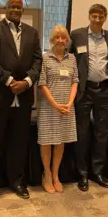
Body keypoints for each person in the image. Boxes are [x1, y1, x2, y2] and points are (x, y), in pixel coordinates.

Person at [0, 0, 42, 205]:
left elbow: (37, 60)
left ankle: (16, 181)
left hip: (23, 98)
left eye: (19, 7)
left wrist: (27, 82)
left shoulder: (32, 33)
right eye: (12, 6)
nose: (15, 9)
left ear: (23, 10)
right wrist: (9, 80)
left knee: (19, 144)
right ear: (5, 8)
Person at [70, 4, 108, 191]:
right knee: (82, 133)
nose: (97, 20)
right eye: (94, 16)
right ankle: (82, 174)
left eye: (101, 17)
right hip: (84, 90)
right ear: (89, 16)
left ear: (105, 18)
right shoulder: (77, 35)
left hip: (104, 90)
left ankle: (97, 172)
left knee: (102, 133)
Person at [37, 25, 78, 193]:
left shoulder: (72, 59)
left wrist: (69, 103)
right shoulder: (45, 58)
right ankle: (46, 175)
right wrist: (55, 105)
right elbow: (42, 83)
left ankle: (55, 175)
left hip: (67, 107)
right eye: (57, 37)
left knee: (60, 141)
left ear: (67, 40)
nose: (60, 40)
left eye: (63, 37)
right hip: (49, 107)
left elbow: (75, 81)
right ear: (52, 39)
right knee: (47, 142)